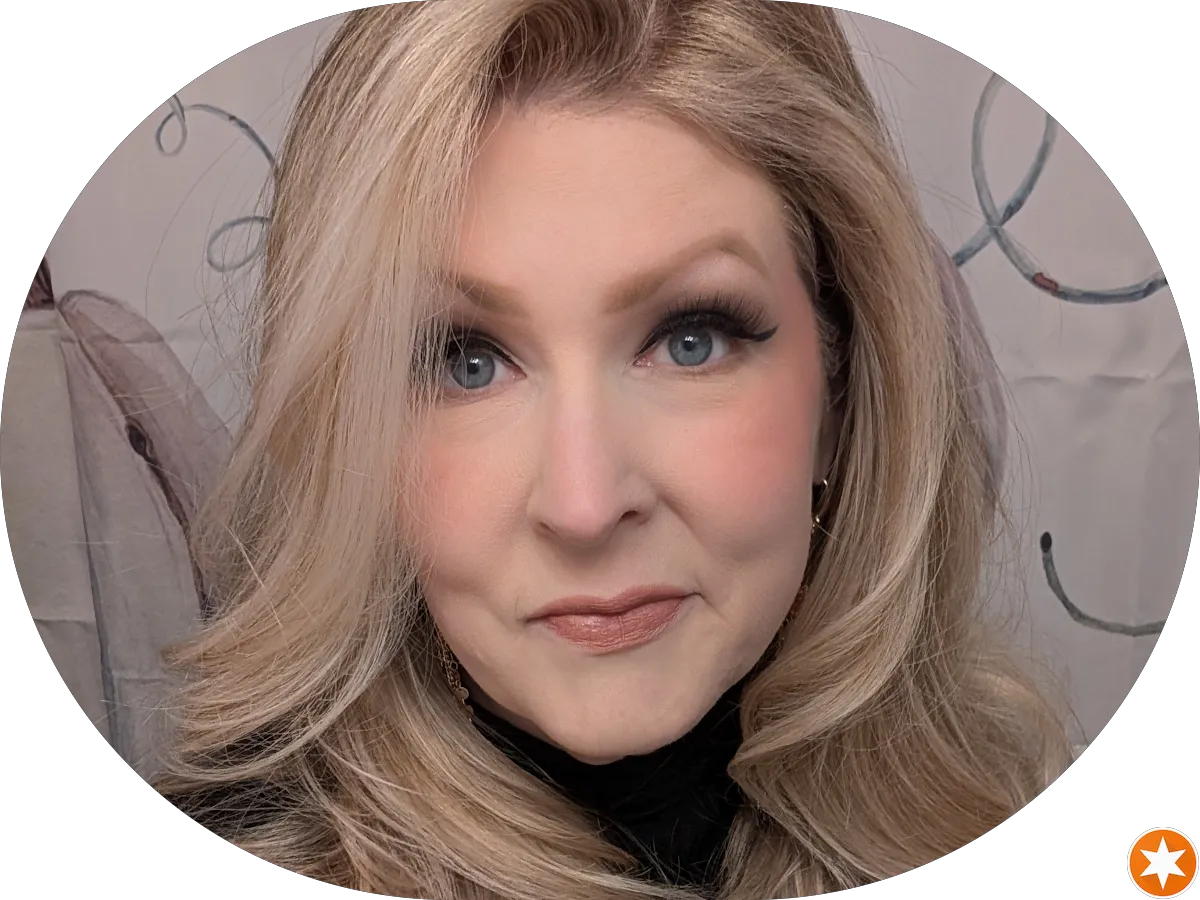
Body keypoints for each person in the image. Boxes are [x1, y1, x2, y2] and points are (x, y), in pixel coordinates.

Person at [153, 2, 1071, 897]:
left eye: (691, 340)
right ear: (347, 431)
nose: (585, 506)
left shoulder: (988, 800)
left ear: (841, 383)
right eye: (466, 361)